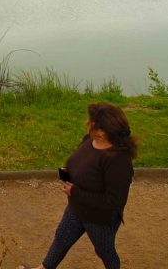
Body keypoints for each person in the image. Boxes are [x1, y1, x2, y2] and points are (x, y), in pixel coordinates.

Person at [19, 103, 138, 269]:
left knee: (105, 252)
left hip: (99, 219)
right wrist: (70, 173)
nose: (87, 123)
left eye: (91, 122)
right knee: (61, 238)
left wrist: (75, 191)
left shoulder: (118, 161)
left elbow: (112, 202)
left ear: (102, 132)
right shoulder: (89, 140)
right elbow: (81, 162)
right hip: (76, 208)